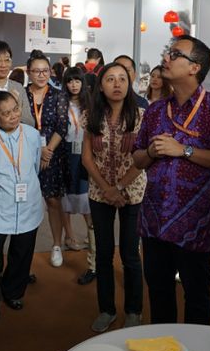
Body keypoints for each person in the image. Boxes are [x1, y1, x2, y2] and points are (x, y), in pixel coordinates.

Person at [133, 35, 210, 325]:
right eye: (167, 52)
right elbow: (137, 160)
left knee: (196, 297)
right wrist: (151, 151)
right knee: (158, 294)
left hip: (194, 225)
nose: (165, 58)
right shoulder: (155, 110)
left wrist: (185, 150)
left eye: (174, 54)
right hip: (154, 222)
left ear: (194, 68)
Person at [81, 62, 146, 332]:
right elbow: (86, 157)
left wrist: (119, 187)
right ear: (101, 85)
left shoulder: (142, 115)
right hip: (99, 192)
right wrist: (107, 188)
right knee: (103, 254)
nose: (117, 84)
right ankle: (106, 309)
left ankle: (134, 310)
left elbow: (145, 159)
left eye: (122, 78)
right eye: (110, 79)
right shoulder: (91, 115)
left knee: (130, 254)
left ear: (129, 83)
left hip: (132, 191)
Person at [0, 91, 43, 322]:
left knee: (22, 254)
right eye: (6, 113)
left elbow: (35, 166)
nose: (14, 116)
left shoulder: (33, 135)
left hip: (28, 206)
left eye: (15, 109)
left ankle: (14, 292)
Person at [25, 50, 70, 267]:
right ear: (28, 72)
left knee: (53, 200)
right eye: (36, 71)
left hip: (52, 154)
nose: (41, 75)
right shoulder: (21, 95)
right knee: (26, 201)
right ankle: (25, 249)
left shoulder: (59, 95)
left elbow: (62, 126)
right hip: (26, 154)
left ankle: (56, 245)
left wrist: (48, 151)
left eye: (45, 71)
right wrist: (37, 150)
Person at [60, 67, 97, 285]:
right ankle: (69, 237)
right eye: (70, 81)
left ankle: (94, 260)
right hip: (65, 156)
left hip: (85, 156)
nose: (74, 85)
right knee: (64, 198)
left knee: (88, 206)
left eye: (77, 81)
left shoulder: (91, 104)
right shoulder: (60, 103)